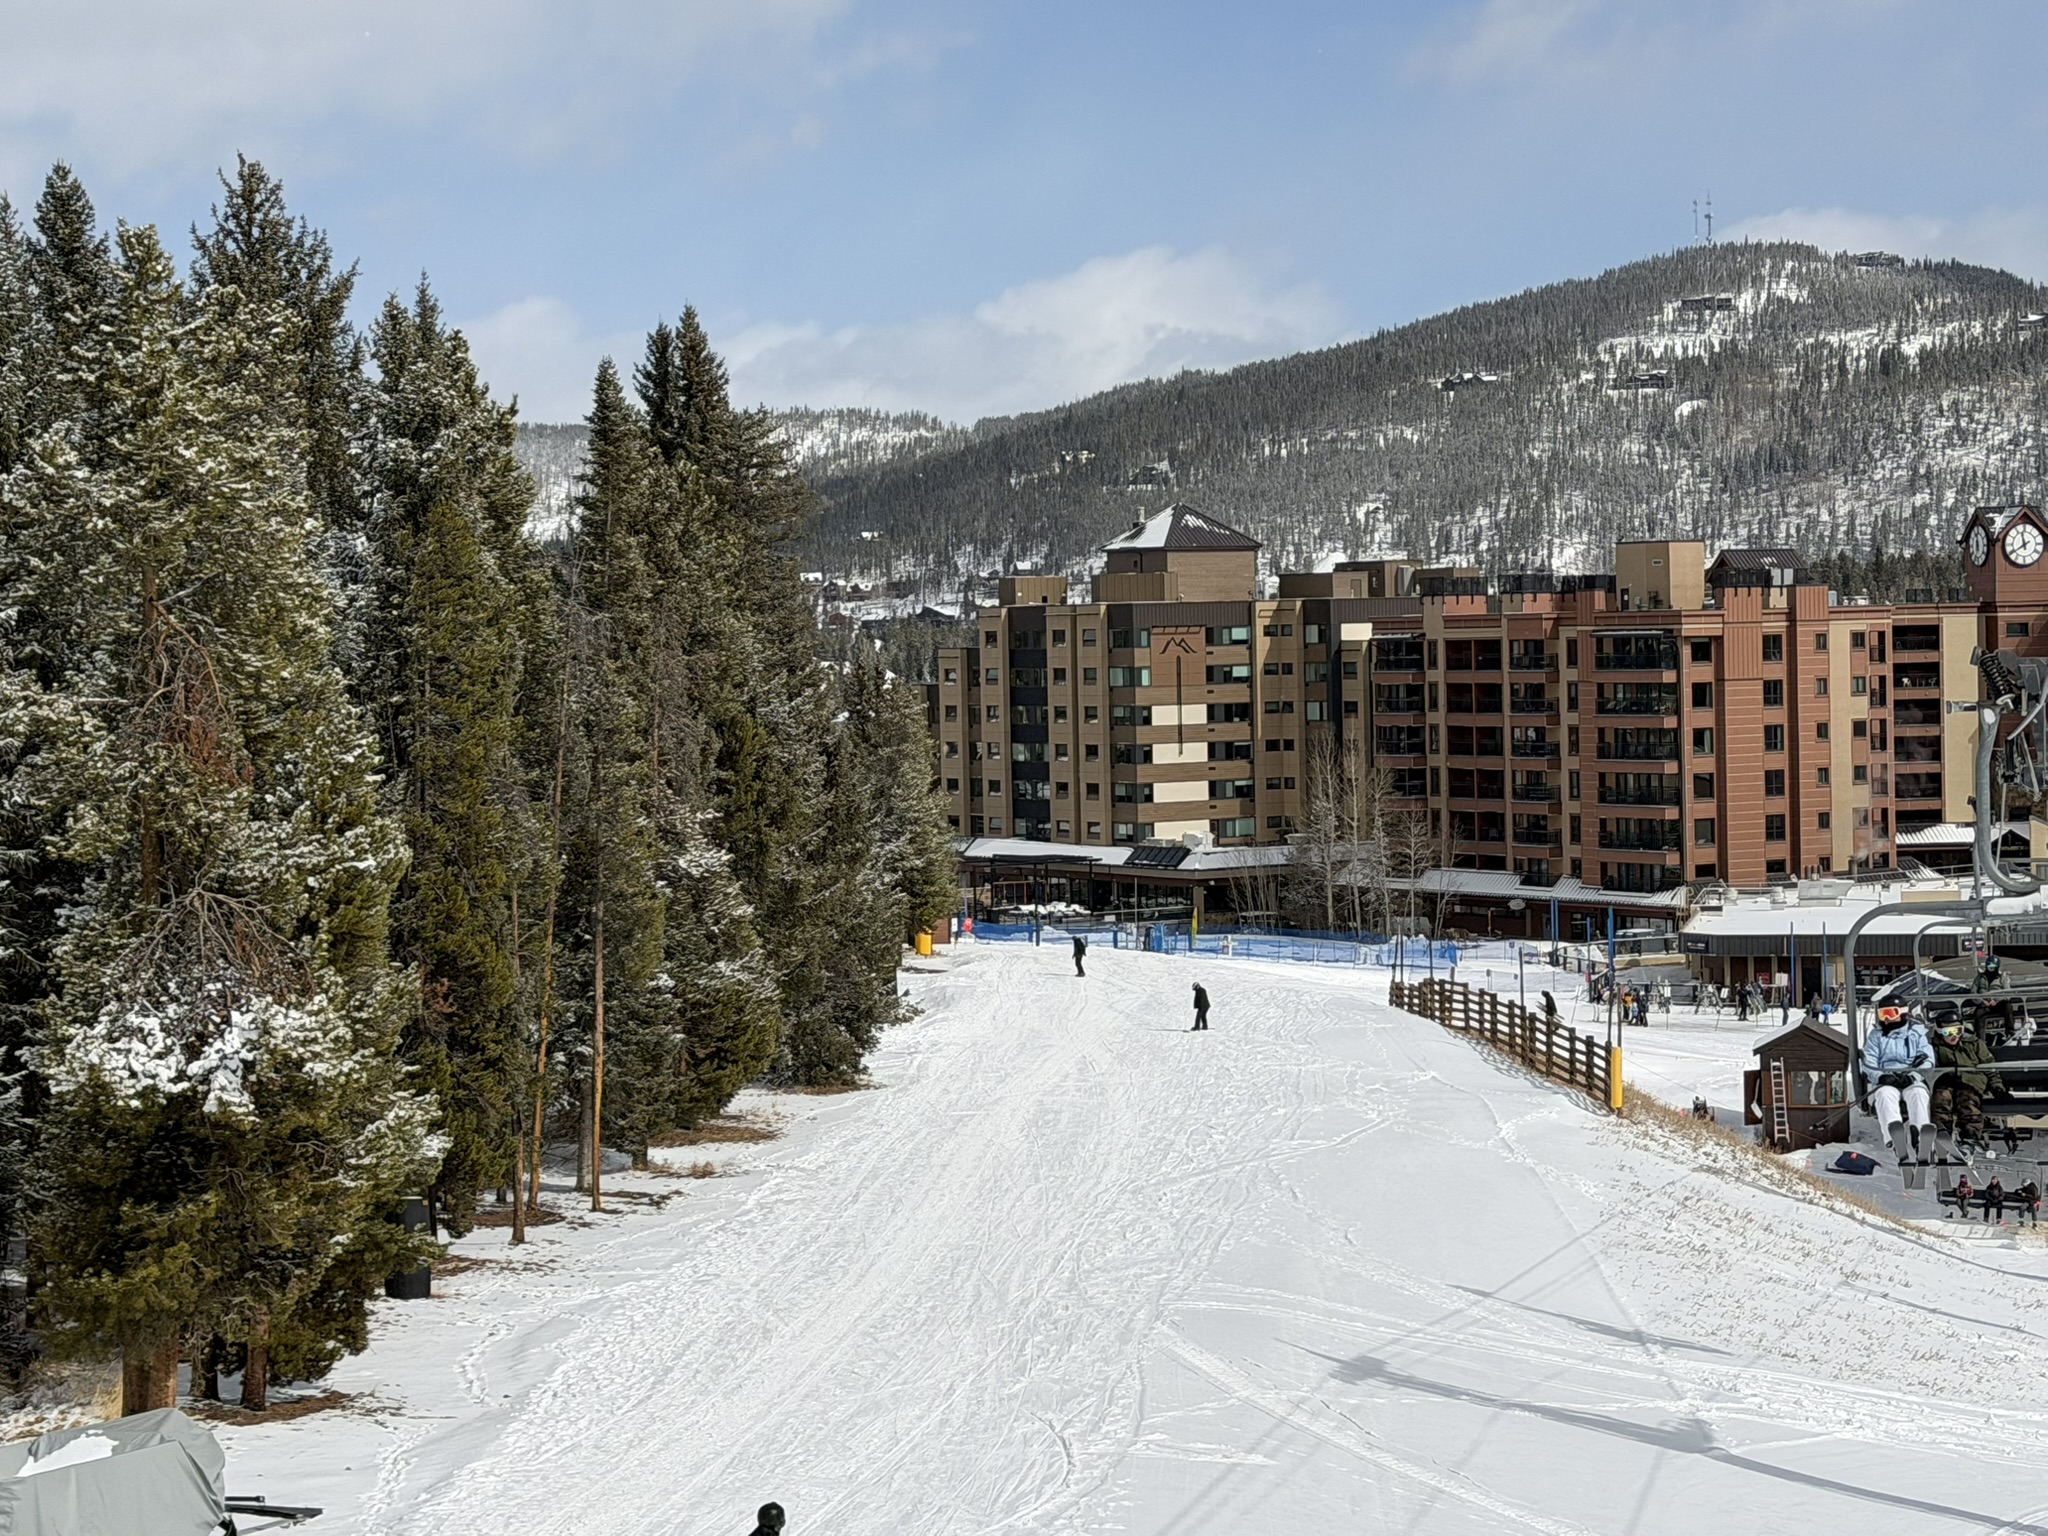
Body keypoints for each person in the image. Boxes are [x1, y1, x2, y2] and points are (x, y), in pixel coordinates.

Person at [1861, 1004, 1936, 1165]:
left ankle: (1920, 1136)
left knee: (1918, 1094)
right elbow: (1868, 1061)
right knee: (1884, 1095)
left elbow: (1928, 1059)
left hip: (1911, 1078)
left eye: (1889, 1013)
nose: (1886, 1019)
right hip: (1888, 1079)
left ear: (1902, 1013)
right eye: (1882, 1014)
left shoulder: (1916, 1033)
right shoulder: (1876, 1035)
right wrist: (1880, 1077)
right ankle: (1894, 1137)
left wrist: (1914, 1075)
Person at [1931, 1020, 2005, 1156]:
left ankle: (1970, 1136)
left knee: (1967, 1100)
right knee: (1941, 1098)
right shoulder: (1935, 1046)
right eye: (1948, 1033)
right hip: (1947, 1081)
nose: (1954, 1036)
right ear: (1940, 1033)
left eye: (1957, 1031)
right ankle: (1942, 1134)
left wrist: (1998, 1089)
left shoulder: (1974, 1044)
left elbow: (1990, 1067)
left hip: (1971, 1081)